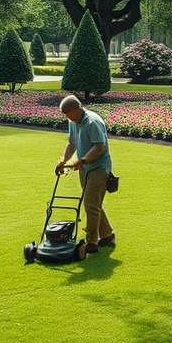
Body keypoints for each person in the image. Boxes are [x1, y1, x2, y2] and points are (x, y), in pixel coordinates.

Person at [56, 95, 115, 253]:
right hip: (85, 167)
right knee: (93, 203)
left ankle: (92, 242)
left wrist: (83, 160)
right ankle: (108, 235)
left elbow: (99, 147)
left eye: (67, 114)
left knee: (90, 203)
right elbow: (72, 143)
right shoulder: (73, 122)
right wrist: (64, 160)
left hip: (99, 166)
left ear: (77, 109)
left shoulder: (92, 122)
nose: (66, 117)